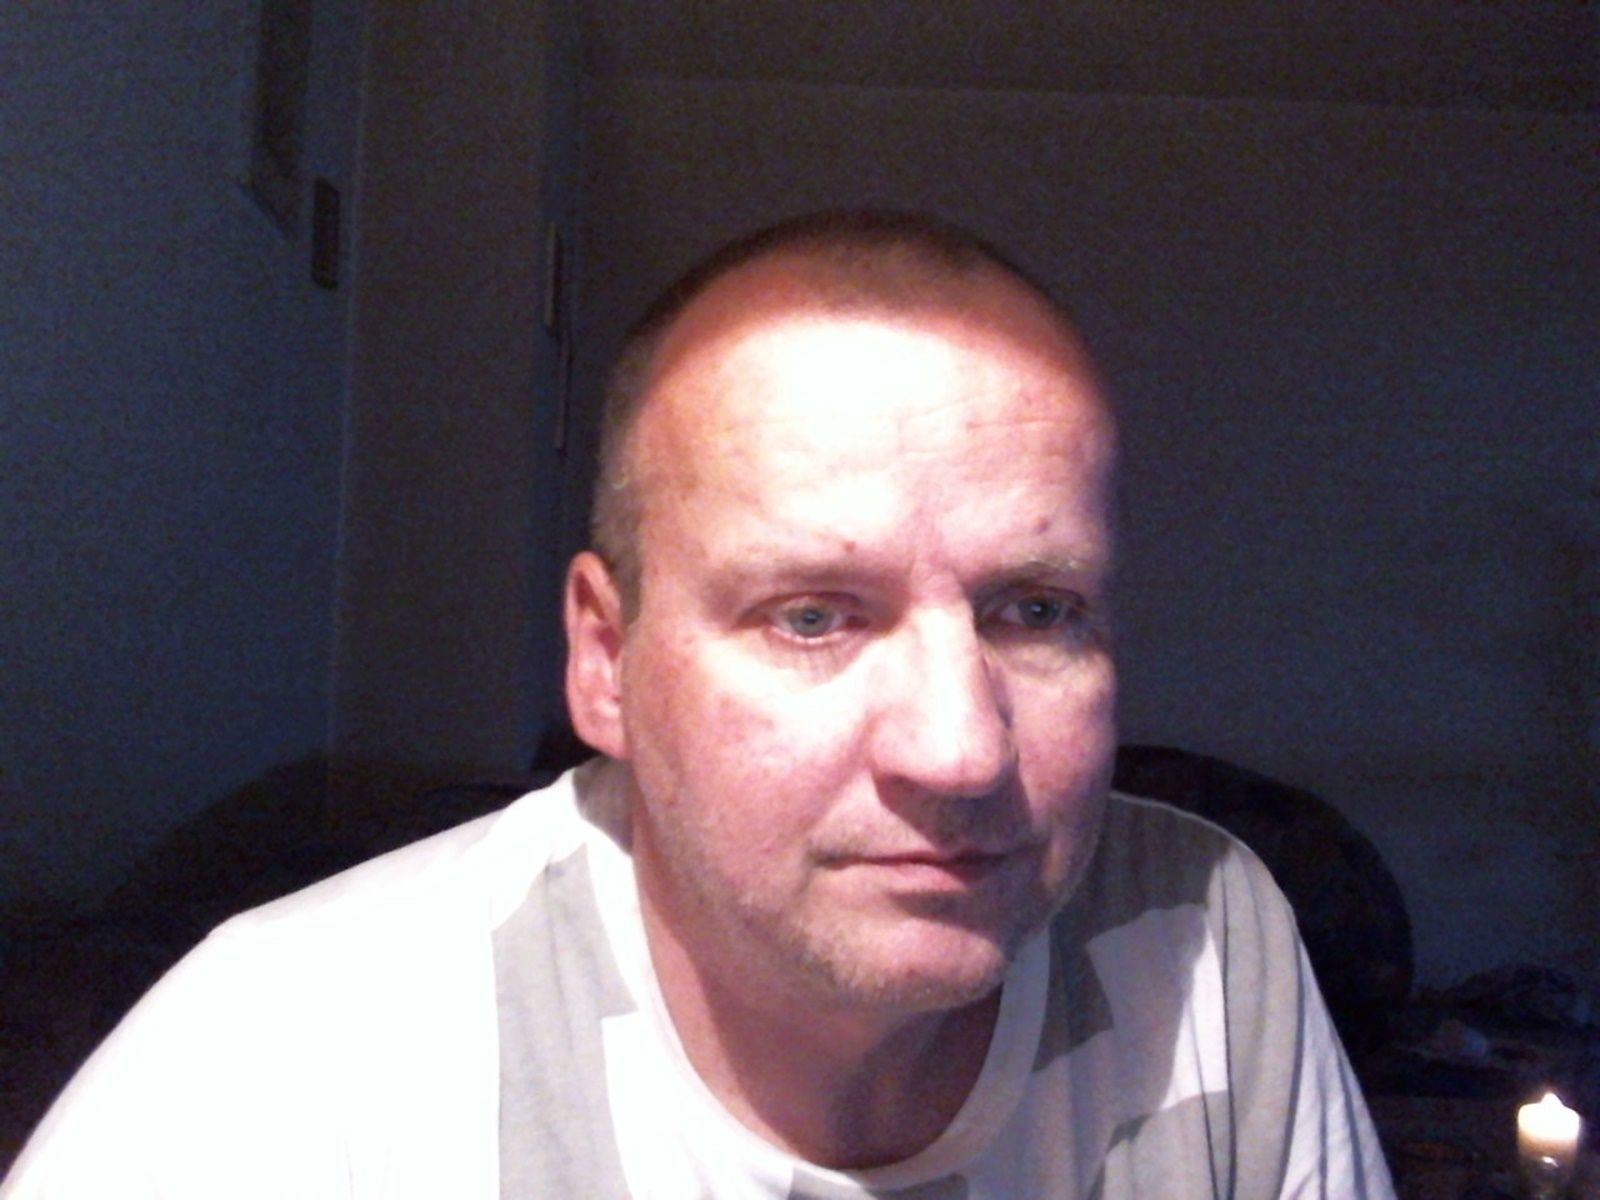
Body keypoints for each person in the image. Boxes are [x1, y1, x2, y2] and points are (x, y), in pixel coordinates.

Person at [2, 211, 1394, 1198]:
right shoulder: (276, 1065)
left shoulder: (1204, 939)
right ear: (605, 661)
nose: (961, 749)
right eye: (811, 617)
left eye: (1034, 611)